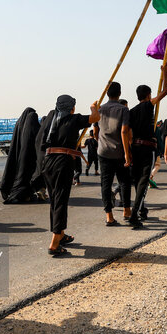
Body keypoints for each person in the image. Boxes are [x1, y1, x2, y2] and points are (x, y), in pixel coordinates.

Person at [39, 95, 99, 257]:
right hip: (62, 163)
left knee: (55, 200)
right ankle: (54, 243)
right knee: (60, 201)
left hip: (48, 162)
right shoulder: (73, 119)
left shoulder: (50, 117)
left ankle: (61, 234)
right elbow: (95, 118)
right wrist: (94, 107)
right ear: (71, 108)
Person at [127, 66, 167, 228]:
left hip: (135, 148)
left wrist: (129, 152)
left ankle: (142, 210)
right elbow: (166, 90)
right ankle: (134, 215)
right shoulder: (148, 105)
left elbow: (128, 132)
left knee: (139, 180)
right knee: (144, 181)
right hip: (148, 148)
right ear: (148, 95)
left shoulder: (132, 111)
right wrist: (164, 71)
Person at [95, 82, 131, 226]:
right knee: (124, 181)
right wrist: (127, 154)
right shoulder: (123, 109)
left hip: (103, 151)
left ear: (107, 93)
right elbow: (124, 131)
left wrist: (100, 142)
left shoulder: (100, 109)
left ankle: (109, 216)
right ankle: (126, 211)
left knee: (106, 183)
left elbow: (96, 131)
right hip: (119, 151)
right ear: (120, 93)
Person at [0, 107, 41, 204]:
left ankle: (21, 193)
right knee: (26, 174)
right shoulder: (31, 120)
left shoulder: (19, 123)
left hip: (17, 153)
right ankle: (23, 194)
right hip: (28, 155)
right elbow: (37, 135)